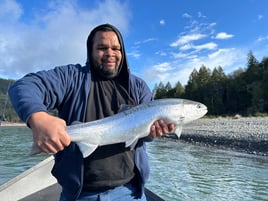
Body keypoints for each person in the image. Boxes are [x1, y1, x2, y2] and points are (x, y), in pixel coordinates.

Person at [8, 24, 175, 201]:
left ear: (122, 52)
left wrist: (152, 133)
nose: (110, 53)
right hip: (80, 194)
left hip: (130, 191)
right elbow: (24, 86)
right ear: (90, 50)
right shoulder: (71, 77)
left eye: (115, 48)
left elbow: (143, 136)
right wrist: (38, 117)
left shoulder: (139, 87)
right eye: (102, 48)